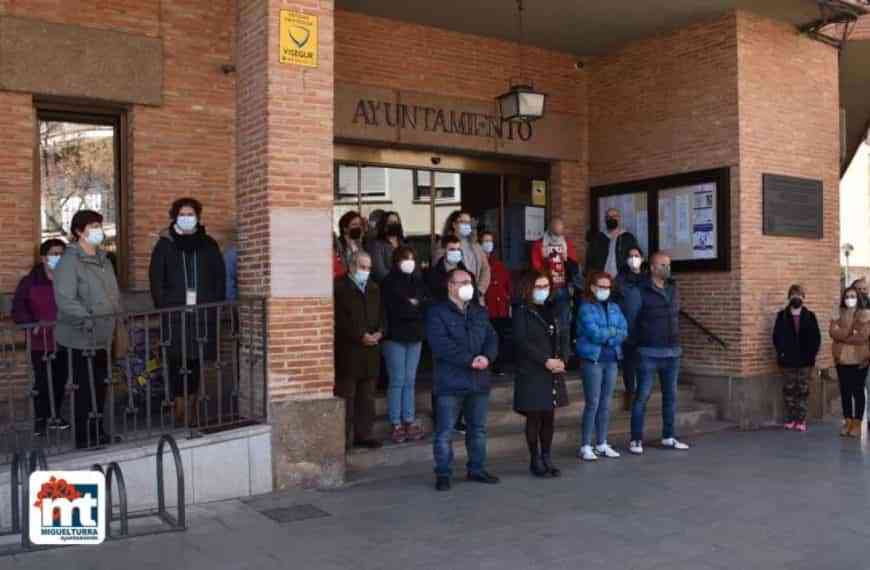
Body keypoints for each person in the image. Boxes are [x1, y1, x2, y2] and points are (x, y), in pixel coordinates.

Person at [149, 198, 226, 426]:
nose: (186, 218)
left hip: (202, 314)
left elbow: (219, 277)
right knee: (175, 361)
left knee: (196, 361)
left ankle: (192, 406)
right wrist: (165, 305)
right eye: (182, 214)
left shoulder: (208, 244)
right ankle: (178, 405)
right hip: (175, 315)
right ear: (175, 217)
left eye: (190, 214)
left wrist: (214, 303)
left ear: (198, 217)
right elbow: (156, 279)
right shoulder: (165, 244)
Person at [53, 210, 121, 449]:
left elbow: (112, 293)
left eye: (99, 226)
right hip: (80, 336)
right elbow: (65, 300)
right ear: (79, 231)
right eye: (93, 226)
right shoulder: (69, 262)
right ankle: (84, 438)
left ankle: (98, 432)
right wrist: (88, 319)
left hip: (104, 334)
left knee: (100, 386)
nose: (98, 230)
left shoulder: (105, 259)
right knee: (84, 389)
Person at [426, 268, 499, 491]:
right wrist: (469, 360)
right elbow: (441, 345)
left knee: (478, 429)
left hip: (478, 380)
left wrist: (487, 357)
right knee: (445, 432)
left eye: (469, 282)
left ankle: (477, 468)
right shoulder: (437, 313)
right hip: (450, 382)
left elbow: (492, 338)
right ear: (450, 286)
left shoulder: (479, 311)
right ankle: (443, 473)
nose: (468, 286)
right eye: (463, 282)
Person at [624, 252, 690, 454]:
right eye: (663, 265)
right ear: (652, 268)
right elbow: (630, 320)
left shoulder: (673, 289)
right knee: (642, 396)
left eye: (668, 265)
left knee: (671, 397)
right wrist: (637, 344)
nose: (667, 269)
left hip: (672, 351)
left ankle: (668, 436)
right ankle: (636, 439)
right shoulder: (639, 291)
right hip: (648, 351)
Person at [512, 272, 570, 477]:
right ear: (528, 288)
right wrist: (545, 360)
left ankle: (547, 457)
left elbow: (563, 335)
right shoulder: (521, 311)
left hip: (553, 370)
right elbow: (521, 342)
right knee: (534, 416)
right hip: (532, 370)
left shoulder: (553, 309)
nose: (543, 290)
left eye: (546, 286)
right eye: (539, 286)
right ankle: (534, 459)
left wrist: (563, 359)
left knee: (549, 417)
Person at [12, 238, 69, 435]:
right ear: (44, 258)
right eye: (54, 254)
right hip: (40, 342)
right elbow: (18, 308)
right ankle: (40, 421)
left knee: (60, 380)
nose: (59, 257)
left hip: (65, 339)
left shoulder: (68, 279)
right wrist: (32, 324)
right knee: (43, 382)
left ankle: (56, 416)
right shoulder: (30, 281)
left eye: (62, 254)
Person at [576, 271, 628, 461]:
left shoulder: (614, 307)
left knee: (606, 403)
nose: (605, 290)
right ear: (592, 287)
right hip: (593, 360)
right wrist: (612, 332)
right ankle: (585, 445)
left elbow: (624, 331)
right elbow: (594, 334)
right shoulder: (586, 308)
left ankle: (601, 443)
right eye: (601, 286)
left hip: (612, 359)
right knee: (593, 402)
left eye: (608, 287)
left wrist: (610, 335)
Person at [334, 251, 383, 449]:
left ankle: (364, 434)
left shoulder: (374, 287)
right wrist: (359, 335)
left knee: (367, 397)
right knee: (347, 396)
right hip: (349, 351)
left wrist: (380, 332)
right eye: (363, 267)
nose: (366, 271)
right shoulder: (339, 287)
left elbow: (382, 314)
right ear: (352, 266)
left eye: (369, 268)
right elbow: (339, 319)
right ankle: (343, 438)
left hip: (371, 350)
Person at [381, 246, 428, 443]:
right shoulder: (388, 282)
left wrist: (411, 305)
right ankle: (396, 423)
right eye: (405, 258)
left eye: (412, 258)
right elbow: (393, 309)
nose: (409, 262)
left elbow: (424, 305)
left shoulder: (417, 281)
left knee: (410, 380)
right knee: (397, 380)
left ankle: (409, 420)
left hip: (415, 336)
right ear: (396, 261)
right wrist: (411, 306)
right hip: (394, 337)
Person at [773, 284, 821, 432]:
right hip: (787, 360)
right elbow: (776, 337)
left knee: (803, 390)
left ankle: (801, 420)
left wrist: (811, 355)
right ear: (789, 297)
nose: (796, 297)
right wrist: (781, 353)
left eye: (799, 295)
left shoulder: (810, 316)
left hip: (805, 361)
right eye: (793, 295)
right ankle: (790, 419)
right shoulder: (781, 316)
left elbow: (816, 338)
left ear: (803, 297)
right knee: (788, 390)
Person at [829, 286, 870, 437]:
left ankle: (857, 423)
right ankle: (848, 421)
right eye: (847, 296)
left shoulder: (865, 315)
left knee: (858, 391)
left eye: (853, 296)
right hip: (841, 359)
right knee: (845, 391)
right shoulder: (837, 314)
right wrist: (849, 333)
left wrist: (843, 336)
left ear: (858, 298)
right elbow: (833, 332)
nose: (849, 299)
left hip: (860, 359)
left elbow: (863, 336)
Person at [614, 247, 646, 411]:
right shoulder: (620, 280)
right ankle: (630, 393)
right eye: (631, 256)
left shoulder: (647, 279)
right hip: (627, 328)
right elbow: (614, 304)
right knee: (629, 364)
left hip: (645, 329)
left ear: (642, 258)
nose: (634, 258)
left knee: (643, 364)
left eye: (637, 255)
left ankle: (641, 396)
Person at [531, 217, 576, 329]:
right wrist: (548, 267)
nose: (557, 237)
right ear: (549, 229)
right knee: (546, 320)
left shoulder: (567, 244)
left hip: (563, 287)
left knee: (563, 323)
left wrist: (567, 259)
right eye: (555, 234)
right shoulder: (539, 244)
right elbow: (536, 267)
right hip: (546, 287)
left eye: (560, 233)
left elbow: (574, 265)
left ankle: (563, 340)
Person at [435, 211, 490, 301]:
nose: (466, 225)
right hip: (454, 296)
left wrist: (480, 290)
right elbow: (440, 267)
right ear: (454, 224)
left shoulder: (476, 245)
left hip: (475, 297)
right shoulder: (445, 243)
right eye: (462, 222)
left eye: (468, 222)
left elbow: (485, 269)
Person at [480, 230, 512, 375]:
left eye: (490, 241)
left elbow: (507, 286)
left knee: (500, 337)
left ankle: (499, 366)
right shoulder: (478, 262)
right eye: (485, 241)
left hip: (501, 308)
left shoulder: (499, 264)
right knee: (485, 338)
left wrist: (508, 302)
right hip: (486, 307)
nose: (488, 244)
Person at [585, 208, 640, 278]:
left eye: (614, 216)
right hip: (602, 278)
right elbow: (590, 259)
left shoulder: (628, 238)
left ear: (619, 218)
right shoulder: (598, 238)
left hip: (622, 278)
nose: (611, 218)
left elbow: (636, 258)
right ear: (605, 219)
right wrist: (589, 276)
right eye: (608, 217)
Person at [425, 234, 474, 302]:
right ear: (443, 250)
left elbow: (474, 301)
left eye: (458, 249)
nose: (456, 252)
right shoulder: (433, 274)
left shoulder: (468, 274)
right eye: (452, 249)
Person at [370, 211, 406, 283]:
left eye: (396, 222)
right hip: (388, 284)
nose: (394, 224)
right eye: (391, 222)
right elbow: (380, 273)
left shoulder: (404, 244)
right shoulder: (377, 245)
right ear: (384, 226)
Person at [224, 230, 238, 301]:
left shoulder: (226, 253)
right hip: (233, 293)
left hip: (227, 292)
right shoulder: (234, 253)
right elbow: (235, 274)